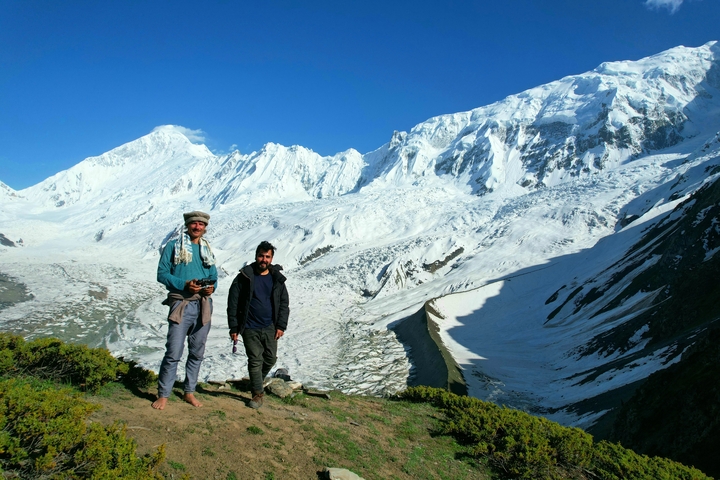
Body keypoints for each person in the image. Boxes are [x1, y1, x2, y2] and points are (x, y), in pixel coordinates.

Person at [152, 211, 217, 410]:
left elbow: (213, 275)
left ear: (205, 228)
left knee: (197, 351)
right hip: (181, 304)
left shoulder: (207, 249)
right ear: (187, 226)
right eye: (194, 224)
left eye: (201, 224)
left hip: (203, 305)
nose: (197, 227)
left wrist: (211, 287)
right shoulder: (173, 247)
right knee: (173, 351)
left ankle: (189, 391)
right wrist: (184, 285)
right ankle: (163, 394)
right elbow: (162, 274)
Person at [227, 241, 289, 409]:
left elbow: (284, 303)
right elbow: (233, 302)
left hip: (270, 326)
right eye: (261, 256)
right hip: (249, 327)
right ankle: (257, 394)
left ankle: (256, 382)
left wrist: (281, 326)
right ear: (256, 256)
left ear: (272, 258)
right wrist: (234, 327)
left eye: (267, 256)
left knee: (270, 358)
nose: (264, 259)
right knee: (255, 360)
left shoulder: (276, 279)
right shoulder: (244, 277)